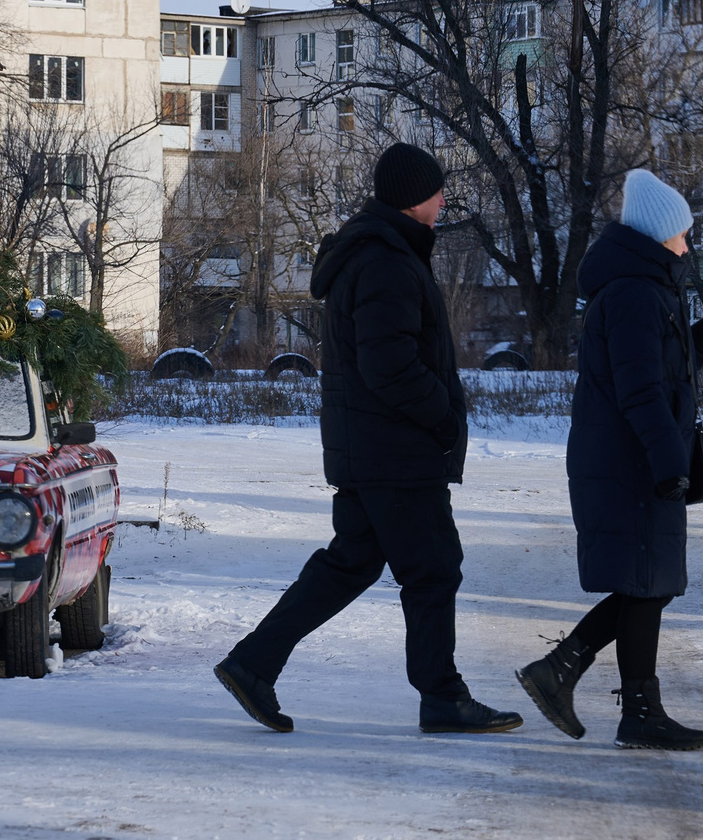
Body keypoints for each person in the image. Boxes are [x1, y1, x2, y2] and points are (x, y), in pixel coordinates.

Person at [215, 144, 523, 736]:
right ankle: (442, 697)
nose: (443, 201)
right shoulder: (386, 261)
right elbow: (390, 366)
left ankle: (253, 663)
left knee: (351, 563)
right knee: (433, 568)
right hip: (395, 452)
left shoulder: (380, 252)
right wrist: (443, 416)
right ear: (413, 198)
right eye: (436, 191)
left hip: (373, 448)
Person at [517, 168, 703, 750]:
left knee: (647, 582)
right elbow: (641, 390)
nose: (689, 245)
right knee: (647, 583)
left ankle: (581, 682)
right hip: (632, 463)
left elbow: (674, 362)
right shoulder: (633, 293)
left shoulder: (646, 289)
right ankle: (615, 700)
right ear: (659, 236)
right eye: (683, 234)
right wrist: (667, 461)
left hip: (634, 458)